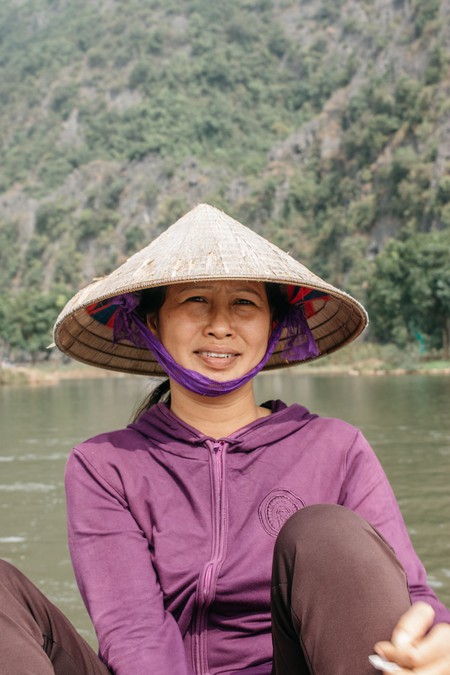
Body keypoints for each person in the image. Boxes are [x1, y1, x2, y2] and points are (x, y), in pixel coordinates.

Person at [1, 203, 449, 674]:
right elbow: (133, 632)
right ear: (152, 322)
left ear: (273, 325)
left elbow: (412, 599)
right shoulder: (104, 465)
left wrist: (432, 644)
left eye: (244, 303)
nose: (220, 325)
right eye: (195, 300)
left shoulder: (337, 448)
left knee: (325, 531)